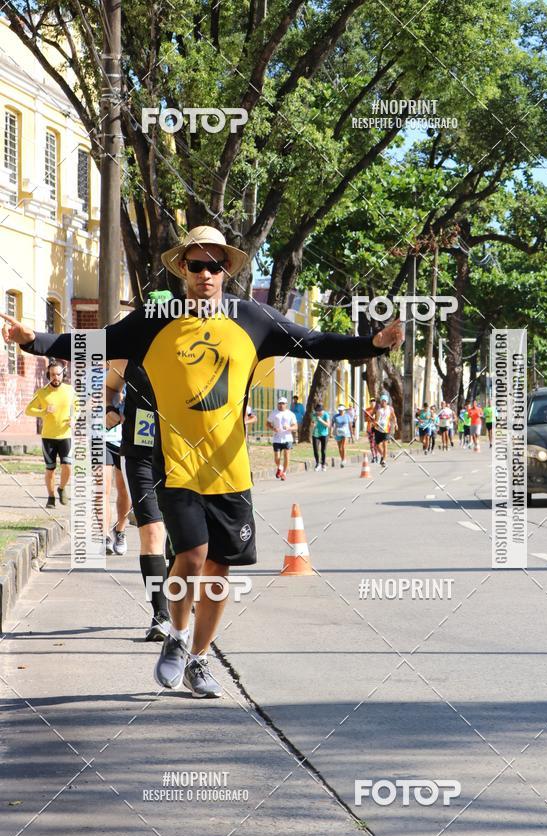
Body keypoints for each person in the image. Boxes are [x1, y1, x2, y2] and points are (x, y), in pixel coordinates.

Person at [2, 223, 404, 701]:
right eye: (197, 265)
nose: (207, 273)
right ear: (182, 270)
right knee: (190, 555)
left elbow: (314, 342)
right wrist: (35, 342)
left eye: (216, 265)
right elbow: (98, 342)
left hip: (230, 469)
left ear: (227, 270)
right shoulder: (154, 318)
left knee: (218, 571)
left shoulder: (253, 318)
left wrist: (372, 346)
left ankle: (198, 656)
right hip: (176, 464)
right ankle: (175, 633)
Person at [105, 348, 172, 642]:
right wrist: (110, 409)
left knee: (183, 538)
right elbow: (110, 386)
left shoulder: (187, 349)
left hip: (182, 456)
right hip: (140, 455)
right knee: (152, 533)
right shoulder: (129, 354)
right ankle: (161, 614)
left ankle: (179, 592)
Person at [25, 358, 76, 508]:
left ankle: (61, 488)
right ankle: (51, 497)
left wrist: (74, 418)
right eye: (52, 374)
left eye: (58, 374)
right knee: (50, 469)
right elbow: (28, 410)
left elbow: (77, 407)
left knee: (67, 466)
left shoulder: (70, 390)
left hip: (65, 435)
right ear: (48, 375)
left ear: (63, 374)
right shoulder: (41, 392)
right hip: (48, 437)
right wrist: (43, 411)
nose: (56, 377)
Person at [103, 380, 129, 556]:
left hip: (126, 440)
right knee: (102, 490)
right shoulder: (96, 375)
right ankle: (104, 535)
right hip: (101, 437)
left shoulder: (134, 372)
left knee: (124, 490)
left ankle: (120, 531)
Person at [267, 397, 297, 480]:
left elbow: (295, 427)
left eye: (283, 403)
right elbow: (267, 423)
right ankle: (280, 467)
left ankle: (284, 472)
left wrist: (289, 428)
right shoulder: (274, 413)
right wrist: (273, 428)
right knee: (277, 457)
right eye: (279, 403)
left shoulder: (290, 414)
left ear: (286, 405)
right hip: (277, 438)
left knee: (286, 455)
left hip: (287, 438)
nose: (281, 405)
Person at [372, 394, 396, 467]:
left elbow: (394, 416)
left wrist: (395, 424)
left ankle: (384, 460)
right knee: (377, 445)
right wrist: (375, 423)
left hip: (386, 429)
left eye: (384, 401)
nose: (383, 403)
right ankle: (383, 455)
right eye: (382, 401)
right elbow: (376, 420)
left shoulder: (390, 409)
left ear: (387, 402)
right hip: (378, 429)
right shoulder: (379, 410)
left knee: (385, 445)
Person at [311, 402, 330, 470]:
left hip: (324, 434)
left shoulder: (326, 415)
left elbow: (328, 425)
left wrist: (321, 420)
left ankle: (323, 464)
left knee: (323, 450)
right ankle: (317, 463)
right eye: (317, 411)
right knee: (316, 449)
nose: (318, 412)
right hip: (315, 434)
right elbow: (312, 423)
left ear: (322, 410)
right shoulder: (314, 415)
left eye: (319, 411)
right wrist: (313, 425)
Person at [365, 397, 379, 463]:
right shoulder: (367, 410)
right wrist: (370, 417)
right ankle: (374, 456)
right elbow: (365, 419)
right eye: (371, 401)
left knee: (376, 443)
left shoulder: (378, 410)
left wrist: (375, 418)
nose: (372, 402)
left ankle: (377, 456)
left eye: (373, 401)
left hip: (376, 428)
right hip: (370, 428)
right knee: (371, 444)